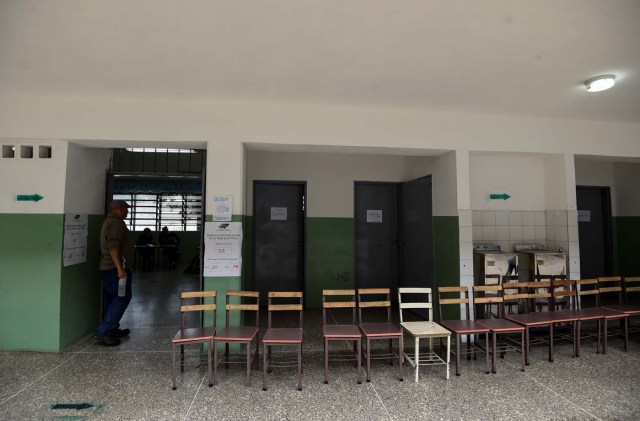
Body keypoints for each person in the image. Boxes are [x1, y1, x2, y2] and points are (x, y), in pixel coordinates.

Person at [93, 200, 134, 346]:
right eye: (125, 209)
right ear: (117, 210)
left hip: (110, 269)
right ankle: (103, 331)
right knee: (122, 297)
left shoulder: (111, 221)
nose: (127, 211)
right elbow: (113, 248)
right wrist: (120, 269)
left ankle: (112, 328)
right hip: (114, 269)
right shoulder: (115, 224)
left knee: (111, 299)